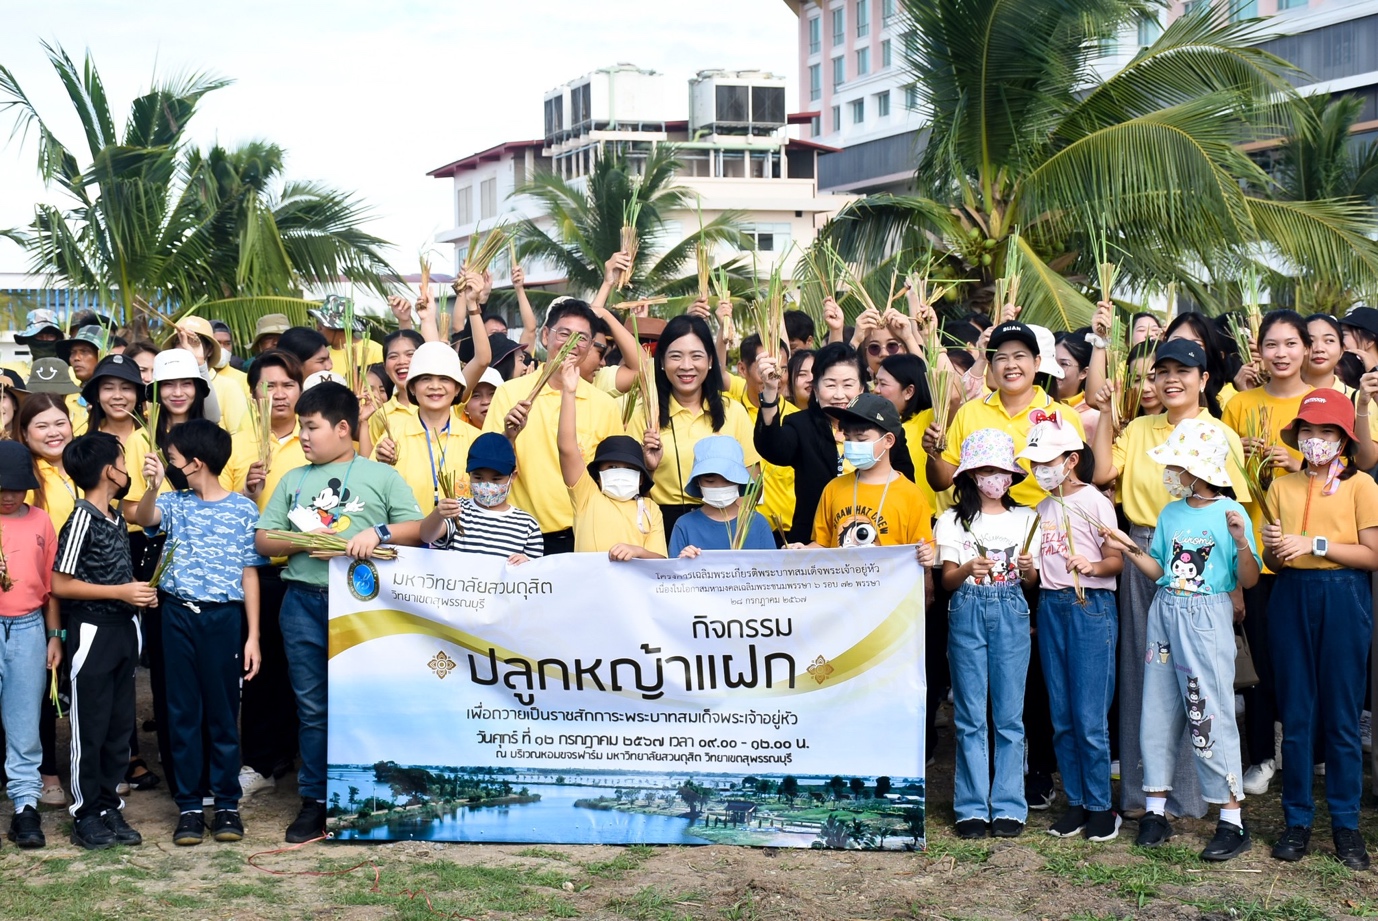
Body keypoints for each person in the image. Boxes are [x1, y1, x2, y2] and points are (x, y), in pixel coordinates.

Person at [1088, 338, 1250, 821]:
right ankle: (1145, 798)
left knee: (1199, 685)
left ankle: (1198, 797)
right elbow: (1101, 472)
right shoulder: (1139, 428)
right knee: (1147, 679)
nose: (1171, 379)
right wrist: (1102, 418)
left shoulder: (1221, 434)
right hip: (1146, 554)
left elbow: (1234, 515)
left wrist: (1236, 587)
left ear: (1204, 380)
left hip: (1205, 575)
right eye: (1162, 371)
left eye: (1184, 370)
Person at [254, 381, 423, 843]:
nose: (304, 436)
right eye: (303, 428)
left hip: (362, 608)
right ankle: (315, 802)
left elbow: (421, 528)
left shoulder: (382, 476)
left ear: (344, 428)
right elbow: (264, 540)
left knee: (366, 703)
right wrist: (306, 541)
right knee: (312, 708)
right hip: (302, 604)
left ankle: (370, 798)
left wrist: (381, 533)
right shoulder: (293, 479)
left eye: (312, 427)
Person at [1101, 418, 1260, 862]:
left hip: (1207, 616)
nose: (1169, 472)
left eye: (1175, 464)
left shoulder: (1230, 513)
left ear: (1198, 468)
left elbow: (1246, 577)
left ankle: (1232, 819)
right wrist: (1125, 545)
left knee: (1209, 709)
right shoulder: (1170, 513)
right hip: (1166, 609)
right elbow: (1161, 571)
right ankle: (1155, 809)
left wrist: (1241, 542)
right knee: (1157, 705)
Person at [132, 420, 265, 846]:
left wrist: (253, 636)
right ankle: (189, 806)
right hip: (177, 615)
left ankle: (226, 803)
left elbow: (249, 574)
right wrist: (152, 484)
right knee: (181, 712)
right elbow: (144, 516)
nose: (171, 465)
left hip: (224, 618)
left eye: (174, 460)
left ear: (197, 462)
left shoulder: (244, 509)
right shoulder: (174, 502)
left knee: (223, 712)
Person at [1261, 390, 1377, 870]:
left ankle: (1346, 825)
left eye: (1326, 432)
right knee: (1296, 713)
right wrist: (1272, 547)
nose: (1315, 440)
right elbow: (1271, 559)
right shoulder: (1280, 487)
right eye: (1307, 431)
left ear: (1343, 439)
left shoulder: (1362, 486)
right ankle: (1297, 820)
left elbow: (1372, 555)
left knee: (1343, 715)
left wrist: (1317, 542)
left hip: (1345, 595)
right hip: (1291, 594)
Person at [1017, 417, 1124, 843]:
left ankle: (1102, 806)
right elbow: (1036, 575)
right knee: (1061, 714)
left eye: (1048, 461)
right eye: (1034, 462)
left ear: (1071, 460)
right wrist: (1028, 572)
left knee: (1089, 715)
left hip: (1090, 607)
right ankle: (1076, 802)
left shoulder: (1096, 502)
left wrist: (1094, 566)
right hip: (1051, 607)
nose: (1039, 469)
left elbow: (1116, 559)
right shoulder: (1039, 511)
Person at [52, 431, 158, 850]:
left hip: (123, 630)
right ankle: (84, 812)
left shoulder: (114, 515)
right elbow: (60, 583)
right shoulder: (80, 518)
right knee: (89, 725)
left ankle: (108, 803)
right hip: (92, 631)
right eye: (122, 461)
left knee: (118, 727)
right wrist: (120, 592)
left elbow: (145, 518)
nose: (126, 468)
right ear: (107, 471)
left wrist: (133, 592)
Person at [934, 428, 1040, 839]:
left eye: (1001, 470)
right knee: (970, 715)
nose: (994, 478)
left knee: (1010, 715)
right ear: (970, 476)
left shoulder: (1027, 518)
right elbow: (946, 581)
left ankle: (1010, 804)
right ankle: (972, 806)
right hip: (967, 610)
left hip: (1012, 608)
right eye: (985, 470)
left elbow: (1031, 585)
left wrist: (1028, 571)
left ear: (1012, 476)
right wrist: (966, 569)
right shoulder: (952, 521)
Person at [483, 299, 623, 555]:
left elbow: (613, 474)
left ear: (592, 346)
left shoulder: (604, 405)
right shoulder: (509, 394)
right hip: (520, 536)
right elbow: (488, 467)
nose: (571, 344)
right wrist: (509, 436)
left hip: (583, 535)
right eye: (564, 334)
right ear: (546, 335)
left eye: (582, 338)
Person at [926, 322, 1085, 509]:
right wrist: (933, 455)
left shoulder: (1064, 416)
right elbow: (941, 482)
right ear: (991, 367)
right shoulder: (969, 412)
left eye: (1019, 356)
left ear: (1036, 362)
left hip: (1046, 526)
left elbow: (1079, 483)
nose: (1011, 365)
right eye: (1001, 358)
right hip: (981, 523)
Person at [628, 315, 758, 535]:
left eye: (696, 356)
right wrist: (648, 467)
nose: (686, 366)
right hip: (660, 528)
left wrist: (736, 528)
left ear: (709, 360)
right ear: (661, 362)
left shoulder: (733, 411)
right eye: (675, 356)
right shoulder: (643, 414)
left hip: (724, 524)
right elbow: (631, 489)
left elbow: (752, 482)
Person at [0, 440, 62, 849]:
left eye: (16, 488)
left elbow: (52, 585)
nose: (8, 496)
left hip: (28, 626)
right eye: (1, 489)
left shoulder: (41, 521)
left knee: (25, 724)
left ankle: (25, 806)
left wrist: (55, 635)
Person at [16, 392, 76, 807]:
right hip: (39, 595)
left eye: (60, 422)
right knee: (38, 686)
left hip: (85, 591)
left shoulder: (83, 465)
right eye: (42, 425)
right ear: (24, 432)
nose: (53, 432)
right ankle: (46, 771)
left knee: (82, 682)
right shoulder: (24, 478)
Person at [554, 357, 665, 560]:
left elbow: (661, 563)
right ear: (598, 475)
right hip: (591, 588)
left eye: (629, 468)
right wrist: (569, 393)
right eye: (612, 466)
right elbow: (567, 448)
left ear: (641, 477)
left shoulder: (651, 509)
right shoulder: (586, 497)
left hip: (632, 591)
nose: (620, 472)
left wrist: (638, 552)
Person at [372, 341, 478, 514]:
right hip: (404, 537)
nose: (435, 386)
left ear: (457, 387)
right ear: (412, 387)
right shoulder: (391, 440)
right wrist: (380, 464)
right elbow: (374, 492)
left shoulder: (476, 440)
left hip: (462, 538)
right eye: (425, 379)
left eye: (444, 379)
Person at [421, 432, 542, 562]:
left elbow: (536, 574)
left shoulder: (527, 525)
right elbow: (427, 536)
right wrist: (438, 514)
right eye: (478, 478)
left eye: (496, 479)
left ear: (512, 476)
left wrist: (527, 564)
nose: (486, 485)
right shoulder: (457, 511)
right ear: (469, 474)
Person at [670, 436, 774, 557]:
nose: (719, 487)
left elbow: (773, 571)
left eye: (728, 480)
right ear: (698, 482)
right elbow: (672, 573)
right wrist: (681, 563)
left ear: (739, 482)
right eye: (710, 481)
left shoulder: (757, 523)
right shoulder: (684, 525)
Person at [310, 295, 382, 373]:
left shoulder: (374, 350)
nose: (318, 327)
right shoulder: (322, 355)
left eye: (323, 323)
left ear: (340, 328)